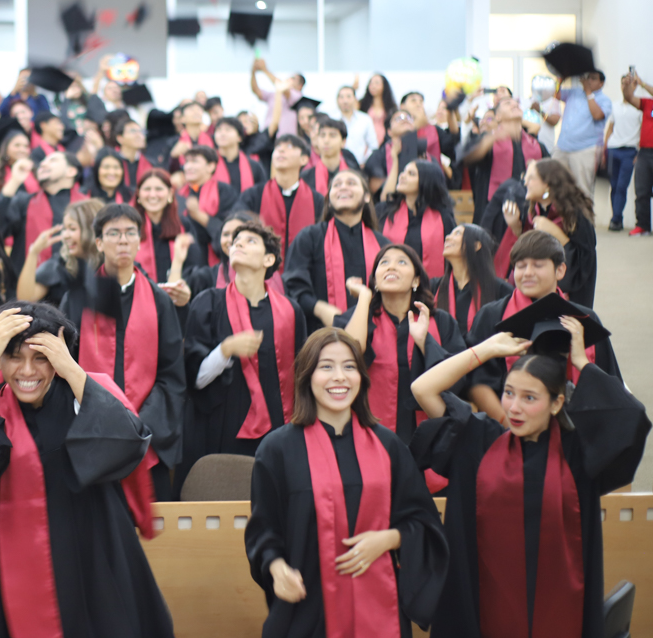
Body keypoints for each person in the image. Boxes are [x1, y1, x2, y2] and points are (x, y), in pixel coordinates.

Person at [0, 301, 176, 638]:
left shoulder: (86, 392)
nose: (27, 371)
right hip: (24, 564)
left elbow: (130, 442)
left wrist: (70, 367)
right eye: (14, 357)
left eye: (41, 357)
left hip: (98, 550)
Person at [410, 336, 650, 638]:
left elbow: (631, 417)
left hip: (560, 616)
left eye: (529, 398)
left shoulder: (577, 454)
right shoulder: (477, 441)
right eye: (509, 393)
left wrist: (581, 362)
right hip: (485, 616)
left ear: (556, 403)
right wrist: (486, 350)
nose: (514, 407)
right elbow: (422, 389)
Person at [244, 327, 449, 638]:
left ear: (362, 378)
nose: (339, 377)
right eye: (326, 366)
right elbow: (263, 530)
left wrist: (389, 539)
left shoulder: (389, 446)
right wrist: (275, 568)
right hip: (309, 608)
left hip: (381, 611)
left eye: (349, 367)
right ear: (306, 376)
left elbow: (424, 523)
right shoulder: (277, 450)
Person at [60, 204, 186, 500]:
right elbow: (64, 364)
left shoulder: (159, 301)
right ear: (100, 242)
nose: (123, 240)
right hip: (89, 436)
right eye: (114, 233)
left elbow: (172, 377)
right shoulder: (77, 299)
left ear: (140, 241)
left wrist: (138, 426)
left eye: (131, 233)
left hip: (145, 436)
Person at [181, 221, 307, 493]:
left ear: (268, 259)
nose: (238, 243)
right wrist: (225, 350)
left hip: (277, 427)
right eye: (236, 240)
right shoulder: (208, 303)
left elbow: (300, 377)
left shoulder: (291, 312)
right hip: (220, 427)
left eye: (250, 241)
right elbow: (193, 380)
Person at [464, 230, 620, 422]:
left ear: (560, 270)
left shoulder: (585, 319)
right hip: (508, 428)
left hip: (575, 434)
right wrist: (508, 425)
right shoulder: (492, 316)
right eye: (520, 266)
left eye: (538, 265)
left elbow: (609, 383)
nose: (528, 272)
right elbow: (478, 383)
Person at [338, 244, 465, 449]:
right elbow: (346, 354)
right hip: (368, 435)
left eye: (401, 262)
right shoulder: (357, 318)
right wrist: (364, 297)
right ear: (375, 281)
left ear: (416, 280)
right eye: (384, 263)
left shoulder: (441, 322)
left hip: (429, 439)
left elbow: (458, 378)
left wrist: (424, 341)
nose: (391, 267)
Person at [284, 168, 391, 330]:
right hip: (320, 335)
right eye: (337, 185)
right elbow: (293, 286)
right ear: (329, 198)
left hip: (376, 334)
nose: (343, 187)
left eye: (351, 183)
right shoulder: (309, 237)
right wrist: (319, 309)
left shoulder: (383, 245)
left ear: (367, 196)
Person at [497, 158, 597, 306]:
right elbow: (529, 250)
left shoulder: (575, 215)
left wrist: (558, 235)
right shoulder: (533, 211)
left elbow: (586, 262)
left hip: (570, 297)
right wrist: (515, 226)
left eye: (531, 178)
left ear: (547, 184)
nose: (525, 183)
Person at [236, 135, 324, 273]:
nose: (281, 151)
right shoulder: (253, 195)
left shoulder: (318, 200)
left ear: (304, 159)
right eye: (277, 148)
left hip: (305, 276)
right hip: (261, 275)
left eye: (289, 147)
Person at [0, 150, 89, 274]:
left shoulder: (87, 206)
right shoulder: (23, 202)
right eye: (43, 161)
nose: (43, 164)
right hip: (25, 287)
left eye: (53, 160)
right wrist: (14, 181)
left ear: (71, 171)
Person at [462, 97, 548, 224]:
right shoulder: (488, 141)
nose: (515, 105)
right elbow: (465, 158)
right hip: (494, 215)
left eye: (517, 104)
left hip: (528, 214)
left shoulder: (536, 145)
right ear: (498, 117)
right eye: (508, 104)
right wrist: (491, 140)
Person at [15, 198, 103, 307]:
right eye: (65, 229)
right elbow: (25, 298)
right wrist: (34, 253)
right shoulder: (59, 265)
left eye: (72, 229)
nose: (65, 235)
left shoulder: (110, 263)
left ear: (90, 231)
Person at [376, 161, 457, 279]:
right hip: (390, 281)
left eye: (411, 174)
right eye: (403, 171)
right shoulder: (384, 211)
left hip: (429, 286)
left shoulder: (443, 216)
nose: (402, 176)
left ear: (426, 181)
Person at [433, 224, 512, 334]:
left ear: (476, 246)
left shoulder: (500, 290)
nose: (447, 237)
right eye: (450, 233)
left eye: (457, 233)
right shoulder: (434, 287)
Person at [130, 169, 196, 301]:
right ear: (138, 195)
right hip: (137, 300)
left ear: (170, 193)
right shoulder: (129, 228)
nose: (153, 195)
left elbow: (194, 268)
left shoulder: (183, 226)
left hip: (176, 302)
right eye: (147, 189)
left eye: (159, 189)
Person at [552, 68, 612, 197]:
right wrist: (561, 79)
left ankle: (584, 217)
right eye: (588, 77)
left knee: (582, 189)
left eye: (593, 78)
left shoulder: (604, 100)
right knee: (555, 182)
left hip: (584, 150)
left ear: (601, 83)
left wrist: (588, 92)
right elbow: (555, 95)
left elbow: (597, 115)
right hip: (562, 147)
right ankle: (561, 216)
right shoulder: (574, 92)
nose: (589, 80)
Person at [178, 145, 238, 268]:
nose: (188, 166)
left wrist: (198, 215)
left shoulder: (224, 191)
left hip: (215, 263)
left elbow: (229, 229)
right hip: (185, 261)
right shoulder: (179, 194)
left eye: (194, 161)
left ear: (211, 166)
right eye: (187, 162)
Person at [363, 110, 429, 200]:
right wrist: (395, 159)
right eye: (398, 118)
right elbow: (383, 198)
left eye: (408, 118)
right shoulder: (377, 156)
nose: (405, 120)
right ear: (389, 131)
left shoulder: (423, 151)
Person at [604, 76, 642, 231]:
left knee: (621, 186)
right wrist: (604, 148)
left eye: (630, 82)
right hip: (613, 149)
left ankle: (615, 218)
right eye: (623, 82)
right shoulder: (615, 106)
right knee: (614, 186)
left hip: (630, 151)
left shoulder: (639, 107)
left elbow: (644, 131)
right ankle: (617, 219)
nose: (626, 85)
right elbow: (610, 128)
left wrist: (639, 153)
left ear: (635, 85)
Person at [618, 71, 653, 236]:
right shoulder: (647, 103)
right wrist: (627, 86)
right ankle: (643, 226)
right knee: (642, 191)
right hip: (645, 153)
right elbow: (629, 98)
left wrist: (643, 83)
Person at [301, 116, 357, 197]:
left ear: (343, 142)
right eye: (322, 135)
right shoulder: (305, 178)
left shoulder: (354, 172)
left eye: (332, 135)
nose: (326, 140)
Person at [250, 57, 304, 138]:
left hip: (286, 139)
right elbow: (256, 90)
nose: (289, 80)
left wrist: (264, 69)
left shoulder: (297, 96)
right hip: (268, 137)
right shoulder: (275, 94)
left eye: (293, 79)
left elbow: (280, 85)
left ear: (300, 86)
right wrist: (253, 71)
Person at [325, 84, 379, 163]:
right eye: (341, 97)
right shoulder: (331, 119)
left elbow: (373, 146)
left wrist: (365, 161)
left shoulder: (365, 119)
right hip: (336, 164)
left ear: (355, 99)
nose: (345, 101)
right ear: (337, 100)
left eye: (349, 96)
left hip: (360, 165)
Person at [213, 116, 266, 193]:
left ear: (239, 137)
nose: (222, 134)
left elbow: (263, 193)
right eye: (219, 130)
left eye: (228, 130)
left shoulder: (254, 166)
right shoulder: (208, 164)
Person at [112, 118, 154, 189]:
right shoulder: (111, 160)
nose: (139, 135)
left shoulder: (150, 164)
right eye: (133, 131)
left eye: (141, 132)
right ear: (120, 138)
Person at [361, 73, 398, 146]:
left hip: (386, 140)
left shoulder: (391, 107)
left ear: (384, 86)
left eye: (377, 83)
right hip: (366, 141)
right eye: (371, 83)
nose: (373, 86)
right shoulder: (363, 104)